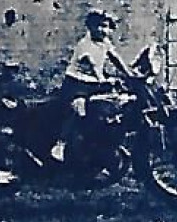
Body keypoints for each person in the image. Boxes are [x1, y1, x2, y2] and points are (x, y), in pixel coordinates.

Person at [50, 9, 129, 162]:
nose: (102, 30)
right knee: (78, 109)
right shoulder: (85, 44)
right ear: (90, 27)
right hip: (76, 84)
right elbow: (92, 63)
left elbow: (115, 58)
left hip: (93, 84)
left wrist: (129, 74)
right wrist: (103, 79)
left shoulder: (104, 42)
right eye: (98, 26)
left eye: (105, 26)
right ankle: (61, 144)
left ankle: (104, 141)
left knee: (113, 102)